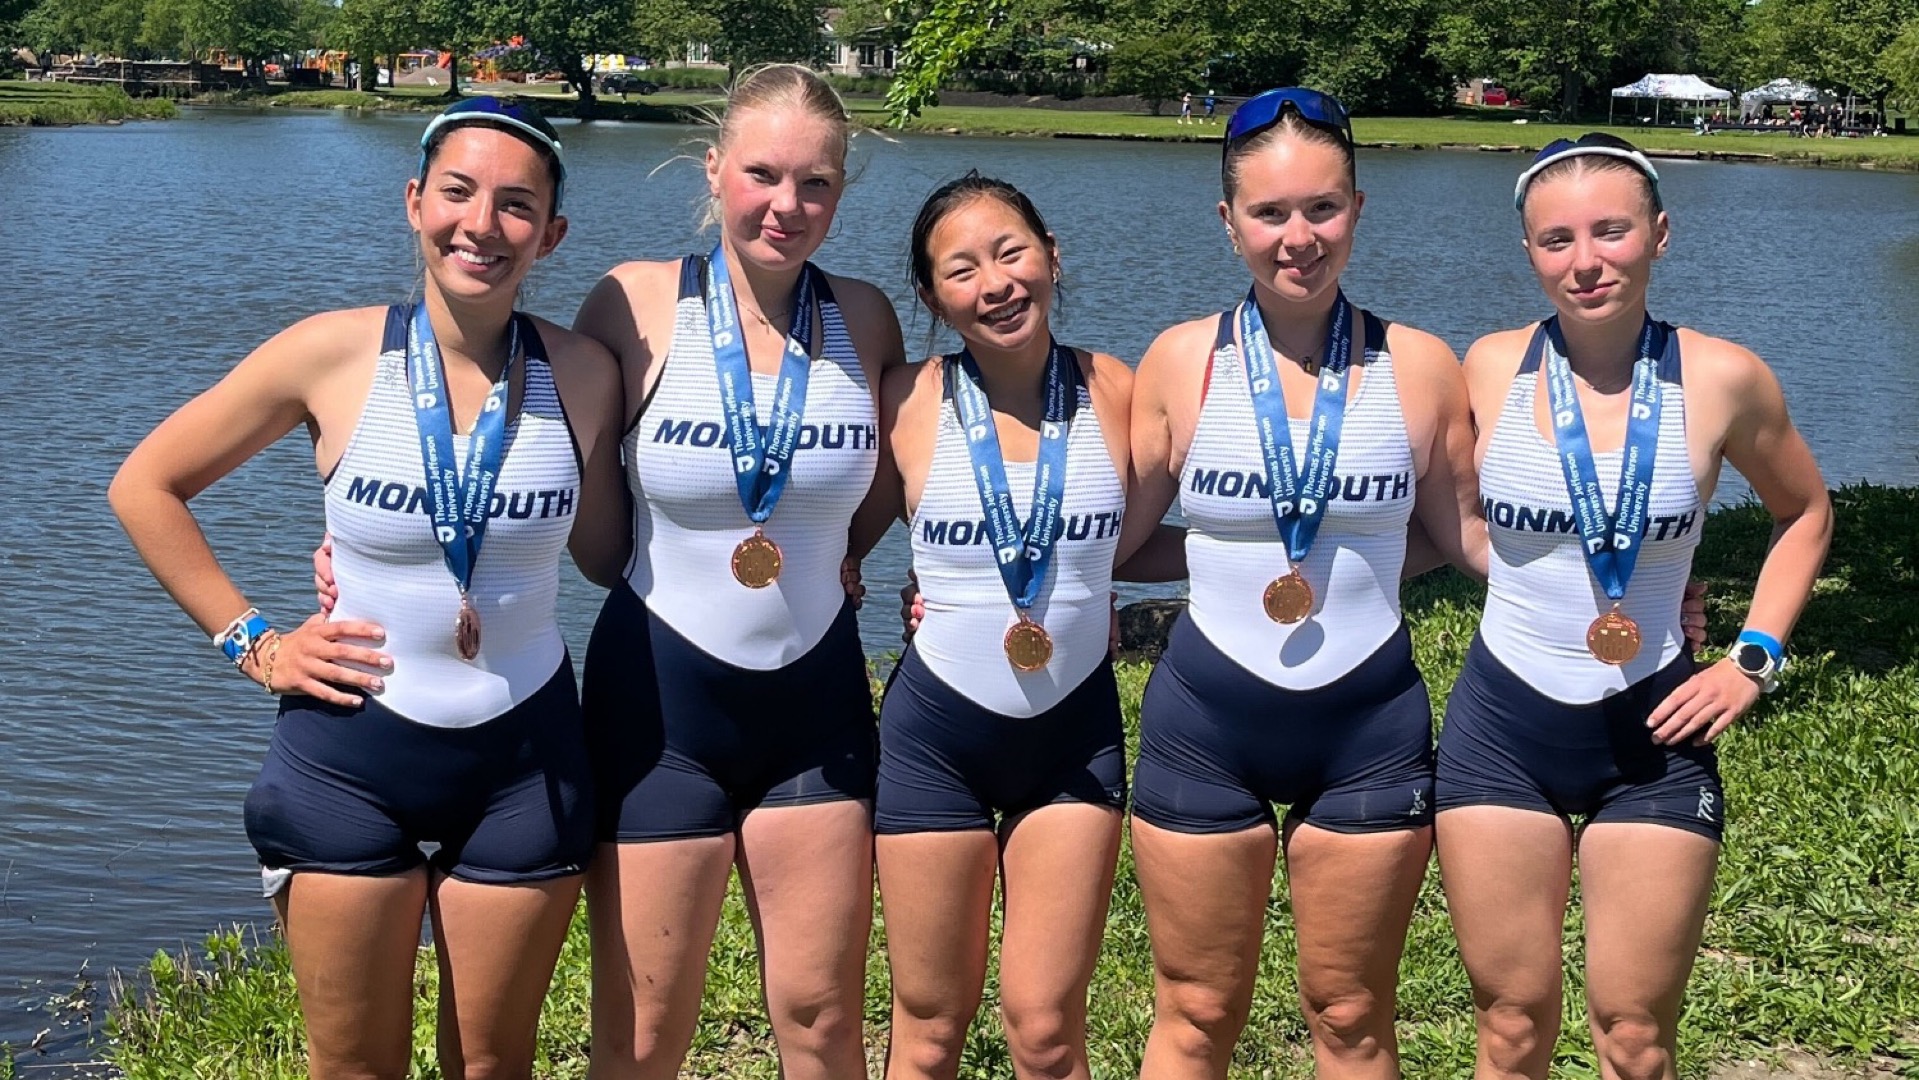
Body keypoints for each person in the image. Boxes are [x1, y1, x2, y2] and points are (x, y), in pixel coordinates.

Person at [109, 98, 628, 1079]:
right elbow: (146, 486)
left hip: (526, 763)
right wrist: (253, 641)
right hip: (348, 755)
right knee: (354, 1065)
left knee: (493, 1066)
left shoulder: (587, 374)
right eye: (458, 193)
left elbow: (610, 556)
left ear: (551, 234)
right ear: (413, 201)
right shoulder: (331, 352)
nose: (481, 224)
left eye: (516, 205)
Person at [1437, 133, 1831, 1080]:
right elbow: (1452, 523)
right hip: (1501, 728)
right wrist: (1562, 586)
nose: (1585, 261)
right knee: (1510, 1023)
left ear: (1659, 234)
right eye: (1555, 239)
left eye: (1610, 232)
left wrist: (1750, 660)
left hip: (1653, 737)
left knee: (1633, 1032)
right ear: (1529, 252)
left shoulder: (1725, 377)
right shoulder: (1486, 366)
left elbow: (1805, 514)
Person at [1122, 87, 1485, 1079]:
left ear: (1357, 210)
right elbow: (1108, 542)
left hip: (1367, 731)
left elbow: (1468, 541)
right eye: (1269, 212)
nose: (1297, 237)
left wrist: (1634, 586)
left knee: (1351, 1013)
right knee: (1194, 1014)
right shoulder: (1178, 362)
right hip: (1205, 726)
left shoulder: (1417, 365)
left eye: (1321, 208)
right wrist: (958, 589)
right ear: (1227, 221)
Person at [569, 63, 905, 1080]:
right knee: (642, 1029)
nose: (787, 206)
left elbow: (895, 474)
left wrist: (841, 555)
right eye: (763, 174)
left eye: (816, 184)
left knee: (818, 1018)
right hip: (656, 710)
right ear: (713, 169)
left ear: (840, 193)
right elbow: (560, 482)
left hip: (816, 707)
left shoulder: (865, 317)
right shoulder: (631, 304)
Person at [869, 172, 1173, 1080]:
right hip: (933, 742)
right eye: (962, 269)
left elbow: (1144, 542)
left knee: (1043, 1029)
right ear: (931, 296)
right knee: (927, 1030)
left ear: (1051, 257)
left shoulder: (1117, 389)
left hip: (1071, 739)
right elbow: (822, 535)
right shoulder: (902, 400)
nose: (995, 284)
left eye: (1011, 253)